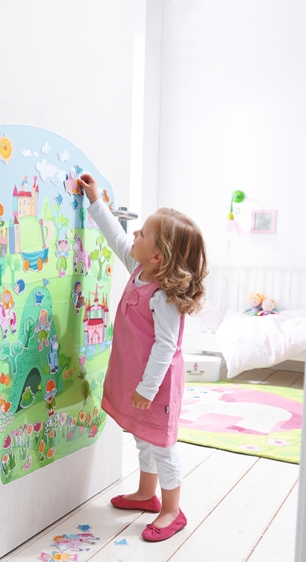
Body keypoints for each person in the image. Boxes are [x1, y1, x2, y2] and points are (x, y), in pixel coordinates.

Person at [78, 173, 208, 542]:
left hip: (156, 385)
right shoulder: (139, 269)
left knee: (161, 445)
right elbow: (115, 236)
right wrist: (95, 201)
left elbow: (166, 347)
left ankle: (172, 510)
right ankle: (146, 494)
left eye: (143, 233)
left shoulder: (163, 296)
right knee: (141, 435)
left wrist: (147, 389)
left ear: (157, 256)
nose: (134, 233)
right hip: (137, 378)